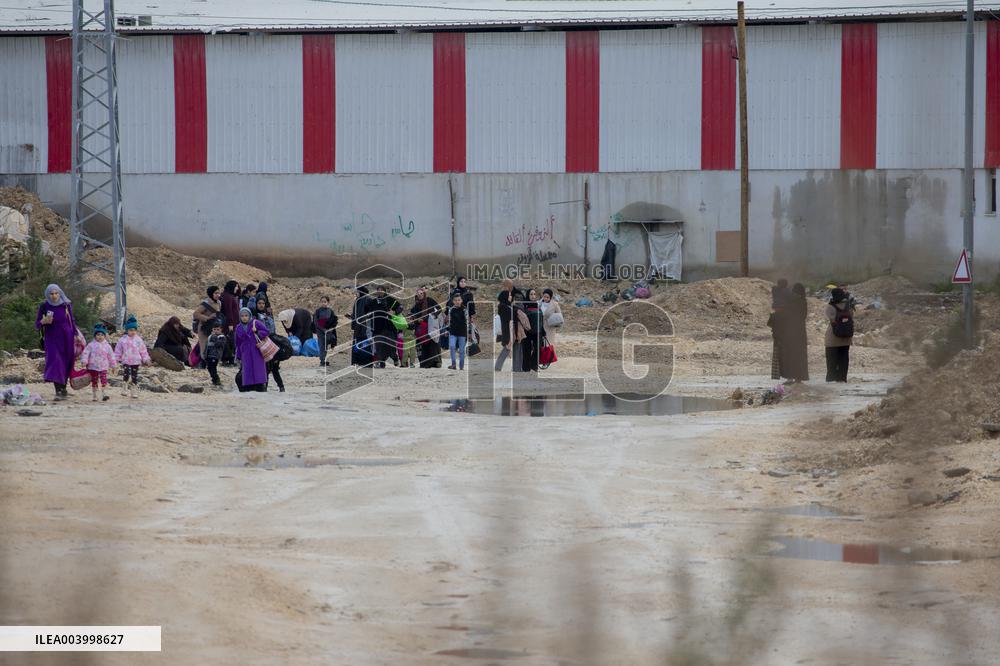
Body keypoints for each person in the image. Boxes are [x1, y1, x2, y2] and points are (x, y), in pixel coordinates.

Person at [35, 283, 77, 400]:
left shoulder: (66, 305)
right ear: (48, 295)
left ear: (60, 293)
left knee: (66, 361)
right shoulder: (44, 306)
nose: (54, 296)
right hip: (52, 337)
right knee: (55, 362)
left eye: (56, 293)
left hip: (66, 336)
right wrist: (44, 321)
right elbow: (37, 324)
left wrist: (76, 334)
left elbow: (71, 320)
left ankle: (63, 389)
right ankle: (58, 390)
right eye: (51, 294)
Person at [115, 314, 151, 398]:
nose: (133, 332)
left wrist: (146, 359)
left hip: (136, 361)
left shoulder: (138, 340)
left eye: (134, 330)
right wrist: (116, 359)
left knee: (134, 376)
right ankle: (124, 387)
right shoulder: (122, 340)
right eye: (131, 330)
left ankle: (133, 390)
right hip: (126, 360)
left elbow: (143, 351)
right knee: (126, 373)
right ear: (127, 330)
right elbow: (118, 350)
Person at [779, 283, 810, 383]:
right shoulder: (803, 302)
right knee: (800, 355)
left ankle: (789, 377)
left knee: (789, 354)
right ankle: (799, 377)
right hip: (800, 332)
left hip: (789, 332)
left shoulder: (789, 301)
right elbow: (803, 316)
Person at [365, 285, 401, 368]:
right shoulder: (373, 302)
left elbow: (400, 307)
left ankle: (395, 358)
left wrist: (395, 313)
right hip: (377, 329)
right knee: (379, 347)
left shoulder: (390, 300)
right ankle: (382, 363)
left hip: (390, 328)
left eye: (381, 290)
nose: (379, 292)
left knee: (391, 347)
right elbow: (366, 311)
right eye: (378, 290)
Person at [234, 307, 269, 392]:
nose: (244, 317)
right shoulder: (238, 327)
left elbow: (266, 332)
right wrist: (238, 355)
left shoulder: (255, 323)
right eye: (242, 316)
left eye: (246, 315)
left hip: (256, 350)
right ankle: (249, 387)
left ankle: (260, 387)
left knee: (258, 370)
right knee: (247, 370)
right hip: (245, 352)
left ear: (249, 315)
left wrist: (257, 332)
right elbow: (238, 343)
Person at [80, 324, 116, 402]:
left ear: (105, 336)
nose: (100, 336)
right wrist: (84, 361)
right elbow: (85, 353)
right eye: (98, 335)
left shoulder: (107, 346)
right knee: (94, 381)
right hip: (93, 366)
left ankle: (104, 393)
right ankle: (95, 395)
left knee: (104, 380)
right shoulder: (91, 345)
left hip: (103, 366)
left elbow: (111, 356)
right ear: (95, 336)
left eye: (102, 335)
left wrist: (113, 365)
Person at [825, 287, 855, 383]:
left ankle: (832, 377)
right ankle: (842, 378)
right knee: (844, 358)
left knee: (831, 359)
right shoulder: (849, 306)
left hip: (833, 338)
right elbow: (852, 316)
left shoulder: (830, 306)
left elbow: (830, 318)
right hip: (846, 337)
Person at [411, 286, 441, 368]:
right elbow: (413, 316)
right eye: (418, 294)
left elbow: (439, 309)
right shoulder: (416, 305)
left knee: (433, 343)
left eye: (421, 293)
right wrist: (417, 320)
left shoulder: (429, 300)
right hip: (420, 328)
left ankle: (436, 362)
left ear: (424, 294)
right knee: (422, 345)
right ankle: (425, 363)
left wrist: (433, 316)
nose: (420, 295)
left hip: (431, 326)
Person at [193, 286, 223, 363]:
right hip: (204, 327)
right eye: (216, 293)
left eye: (219, 293)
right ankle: (203, 363)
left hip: (214, 328)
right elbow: (196, 314)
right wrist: (207, 317)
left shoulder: (219, 302)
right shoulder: (205, 303)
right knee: (204, 345)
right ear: (211, 294)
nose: (218, 295)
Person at [769, 278, 790, 380]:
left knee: (778, 356)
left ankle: (780, 375)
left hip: (777, 335)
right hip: (784, 335)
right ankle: (787, 375)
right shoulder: (786, 293)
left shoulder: (775, 291)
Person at [522, 288, 545, 373]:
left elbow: (541, 320)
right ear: (528, 295)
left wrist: (543, 331)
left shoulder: (537, 306)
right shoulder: (524, 306)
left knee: (538, 349)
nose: (533, 296)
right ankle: (526, 368)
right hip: (527, 332)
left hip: (537, 332)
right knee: (526, 350)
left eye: (534, 294)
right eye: (531, 294)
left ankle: (534, 366)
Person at [494, 279, 515, 371]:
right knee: (507, 348)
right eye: (509, 296)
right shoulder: (504, 307)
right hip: (507, 330)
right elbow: (511, 316)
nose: (510, 297)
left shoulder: (504, 306)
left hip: (507, 330)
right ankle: (497, 366)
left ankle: (498, 367)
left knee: (507, 348)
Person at [445, 291, 468, 371]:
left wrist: (469, 332)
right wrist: (447, 330)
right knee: (452, 346)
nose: (457, 302)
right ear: (453, 301)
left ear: (461, 300)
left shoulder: (465, 309)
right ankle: (453, 364)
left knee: (462, 350)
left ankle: (461, 366)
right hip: (453, 332)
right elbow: (449, 321)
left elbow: (467, 322)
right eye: (456, 300)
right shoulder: (451, 310)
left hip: (462, 333)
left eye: (459, 300)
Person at [313, 296, 338, 367]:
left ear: (328, 302)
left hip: (329, 332)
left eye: (325, 302)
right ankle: (322, 361)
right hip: (320, 332)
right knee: (322, 346)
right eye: (322, 302)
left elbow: (334, 321)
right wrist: (323, 330)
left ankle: (324, 359)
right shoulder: (318, 311)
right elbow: (316, 322)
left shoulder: (330, 311)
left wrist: (331, 328)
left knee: (326, 345)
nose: (323, 303)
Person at [220, 281, 241, 366]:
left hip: (234, 323)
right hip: (230, 324)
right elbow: (229, 311)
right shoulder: (228, 296)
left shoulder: (230, 295)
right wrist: (230, 323)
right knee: (230, 341)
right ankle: (228, 359)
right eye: (236, 286)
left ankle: (230, 359)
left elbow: (239, 293)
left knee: (231, 341)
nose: (237, 288)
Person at [203, 319, 227, 388]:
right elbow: (207, 346)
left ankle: (216, 380)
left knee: (213, 368)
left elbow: (219, 344)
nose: (216, 331)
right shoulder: (210, 336)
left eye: (218, 329)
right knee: (209, 368)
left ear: (221, 330)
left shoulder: (222, 337)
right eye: (214, 329)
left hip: (215, 356)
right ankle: (214, 379)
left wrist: (215, 338)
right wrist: (205, 354)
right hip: (209, 355)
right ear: (212, 330)